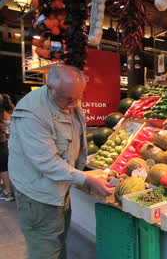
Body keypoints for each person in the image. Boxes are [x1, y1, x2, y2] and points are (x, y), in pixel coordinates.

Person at [9, 65, 112, 259]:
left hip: (57, 190)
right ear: (50, 87)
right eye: (68, 99)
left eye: (78, 97)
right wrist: (85, 179)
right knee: (45, 248)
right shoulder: (32, 115)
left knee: (57, 241)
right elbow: (47, 162)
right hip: (38, 197)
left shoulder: (68, 99)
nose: (73, 104)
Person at [0, 94, 15, 201]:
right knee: (3, 165)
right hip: (1, 136)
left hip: (1, 137)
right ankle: (7, 191)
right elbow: (13, 112)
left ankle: (9, 192)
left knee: (3, 166)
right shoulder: (3, 98)